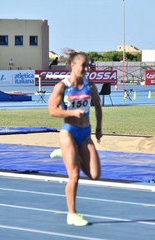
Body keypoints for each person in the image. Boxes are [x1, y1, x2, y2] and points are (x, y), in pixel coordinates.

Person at [48, 51, 102, 226]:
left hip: (85, 133)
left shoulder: (90, 86)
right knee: (74, 174)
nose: (86, 69)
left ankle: (65, 154)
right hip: (69, 132)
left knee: (95, 175)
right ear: (73, 65)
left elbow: (98, 107)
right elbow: (52, 110)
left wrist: (99, 128)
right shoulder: (62, 87)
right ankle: (72, 214)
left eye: (88, 65)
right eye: (83, 65)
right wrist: (71, 112)